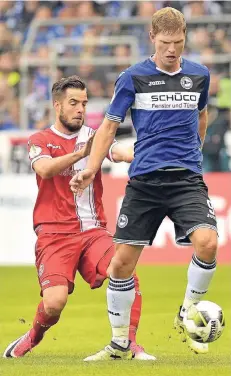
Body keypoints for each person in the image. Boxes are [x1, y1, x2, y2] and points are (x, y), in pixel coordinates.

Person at [70, 7, 218, 360]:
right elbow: (108, 127)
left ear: (185, 39)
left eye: (178, 43)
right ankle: (119, 344)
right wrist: (92, 167)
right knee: (121, 264)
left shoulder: (199, 75)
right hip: (145, 180)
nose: (172, 50)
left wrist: (195, 150)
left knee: (208, 242)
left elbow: (202, 114)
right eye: (166, 43)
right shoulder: (133, 78)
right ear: (152, 37)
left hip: (186, 178)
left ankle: (188, 311)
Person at [3, 75, 155, 361]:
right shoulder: (40, 140)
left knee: (124, 269)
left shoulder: (95, 137)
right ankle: (32, 337)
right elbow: (45, 170)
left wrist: (148, 154)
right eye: (73, 103)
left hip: (93, 231)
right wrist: (80, 154)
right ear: (57, 105)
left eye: (84, 103)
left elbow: (120, 152)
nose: (80, 109)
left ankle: (128, 344)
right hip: (55, 235)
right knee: (54, 303)